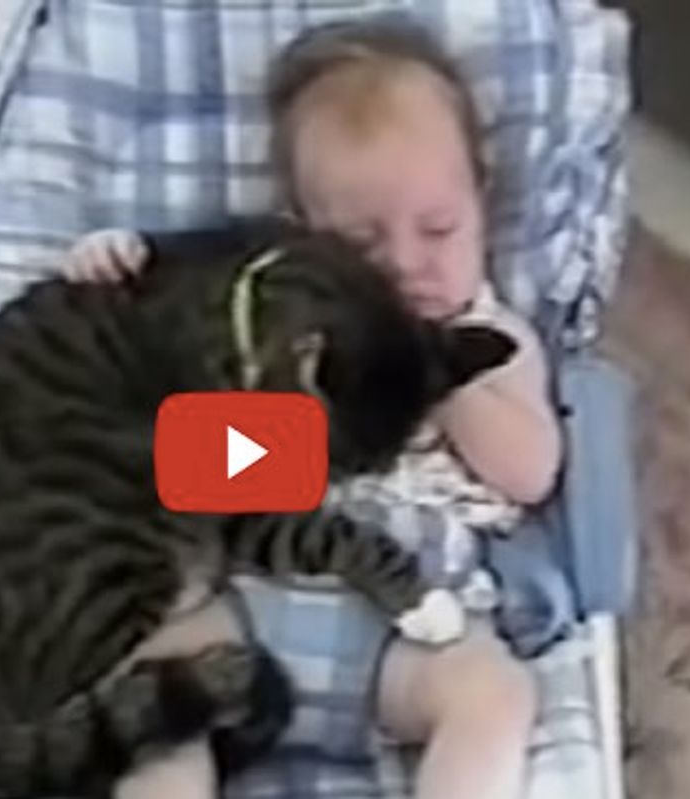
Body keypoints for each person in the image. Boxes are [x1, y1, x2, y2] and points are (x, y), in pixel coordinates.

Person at [66, 18, 562, 799]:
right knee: (136, 686)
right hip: (249, 606)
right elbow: (188, 452)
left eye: (438, 229)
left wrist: (445, 370)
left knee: (498, 696)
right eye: (363, 245)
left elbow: (529, 474)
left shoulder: (495, 340)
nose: (406, 264)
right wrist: (120, 292)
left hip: (410, 635)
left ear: (481, 204)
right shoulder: (268, 320)